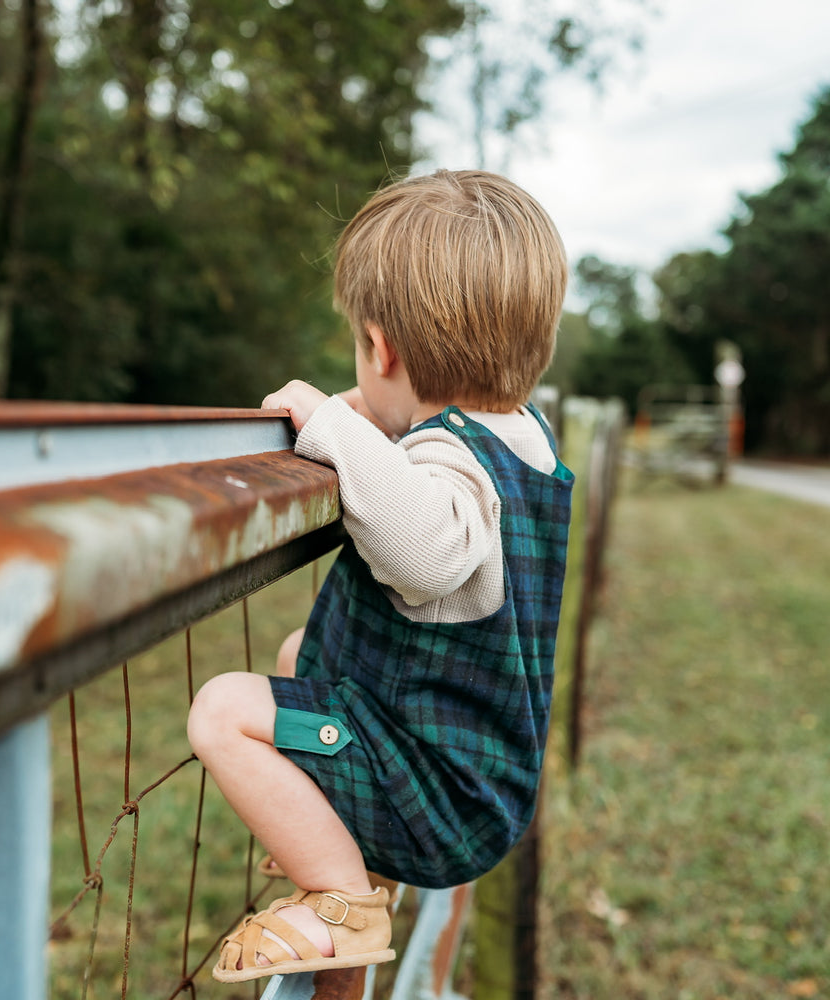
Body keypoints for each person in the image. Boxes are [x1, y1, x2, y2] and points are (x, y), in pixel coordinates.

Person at [187, 169, 574, 983]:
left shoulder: (448, 460)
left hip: (436, 800)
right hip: (461, 775)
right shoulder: (524, 440)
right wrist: (370, 427)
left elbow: (429, 550)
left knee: (223, 711)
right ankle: (329, 838)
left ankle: (342, 897)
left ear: (381, 347)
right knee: (303, 650)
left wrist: (329, 421)